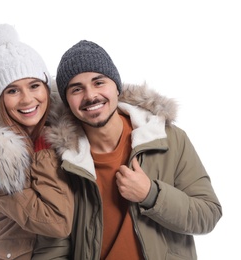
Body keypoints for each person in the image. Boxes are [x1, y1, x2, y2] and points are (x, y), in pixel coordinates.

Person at [45, 40, 222, 260]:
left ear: (116, 87)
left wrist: (151, 195)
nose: (90, 95)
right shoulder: (61, 160)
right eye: (76, 89)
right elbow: (53, 244)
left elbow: (208, 214)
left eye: (99, 82)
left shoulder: (168, 139)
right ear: (67, 101)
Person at [0, 24, 74, 260]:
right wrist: (43, 151)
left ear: (46, 88)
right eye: (12, 91)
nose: (27, 99)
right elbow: (57, 222)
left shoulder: (62, 131)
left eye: (34, 86)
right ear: (0, 99)